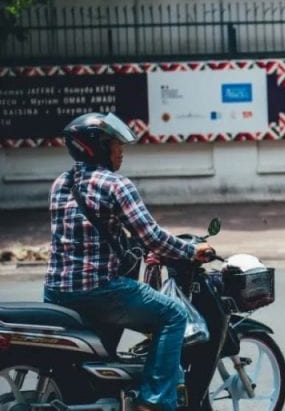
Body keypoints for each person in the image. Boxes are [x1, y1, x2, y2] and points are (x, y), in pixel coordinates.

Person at [43, 112, 214, 411]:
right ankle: (154, 401)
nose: (121, 150)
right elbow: (153, 237)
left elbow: (86, 234)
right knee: (173, 314)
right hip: (98, 291)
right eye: (114, 144)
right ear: (95, 147)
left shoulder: (61, 183)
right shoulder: (115, 185)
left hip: (57, 291)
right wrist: (191, 252)